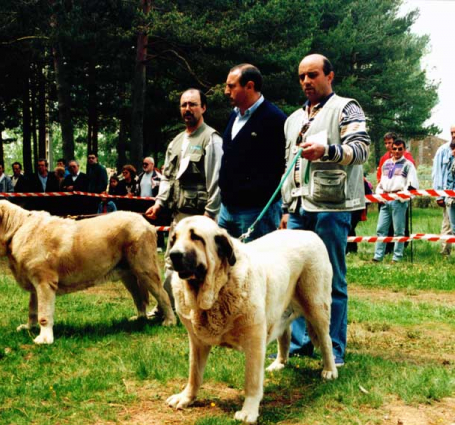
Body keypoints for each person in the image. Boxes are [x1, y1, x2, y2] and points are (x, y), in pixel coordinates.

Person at [280, 54, 371, 367]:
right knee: (292, 280)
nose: (307, 81)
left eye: (313, 75)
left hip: (333, 208)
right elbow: (288, 168)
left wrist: (327, 151)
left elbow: (361, 150)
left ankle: (333, 349)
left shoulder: (347, 108)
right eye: (302, 76)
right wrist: (285, 208)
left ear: (329, 76)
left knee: (332, 279)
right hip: (299, 209)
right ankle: (298, 344)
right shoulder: (293, 119)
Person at [145, 88, 222, 313]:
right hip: (179, 216)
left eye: (192, 104)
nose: (187, 109)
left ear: (203, 108)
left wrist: (211, 215)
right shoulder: (176, 142)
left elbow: (216, 179)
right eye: (184, 105)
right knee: (172, 260)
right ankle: (166, 307)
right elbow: (168, 177)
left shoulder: (211, 139)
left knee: (203, 264)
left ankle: (205, 308)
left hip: (201, 216)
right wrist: (159, 203)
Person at [218, 64, 287, 241]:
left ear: (249, 86)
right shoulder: (234, 116)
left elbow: (281, 166)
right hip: (227, 210)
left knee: (256, 266)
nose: (226, 91)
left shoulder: (274, 120)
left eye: (231, 86)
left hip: (256, 212)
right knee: (226, 265)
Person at [373, 139, 419, 262]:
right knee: (381, 229)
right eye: (395, 149)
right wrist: (380, 196)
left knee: (399, 231)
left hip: (399, 200)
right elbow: (381, 183)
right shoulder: (386, 164)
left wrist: (402, 197)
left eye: (400, 149)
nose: (397, 151)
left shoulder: (408, 165)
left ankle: (397, 257)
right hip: (385, 199)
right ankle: (378, 256)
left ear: (404, 150)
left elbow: (412, 184)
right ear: (391, 149)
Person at [431, 126, 455, 256]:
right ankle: (445, 252)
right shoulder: (443, 151)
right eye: (452, 133)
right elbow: (437, 174)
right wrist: (438, 195)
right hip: (449, 195)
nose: (454, 135)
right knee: (448, 224)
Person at [445, 140, 455, 234]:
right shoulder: (450, 160)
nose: (453, 151)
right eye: (452, 148)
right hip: (451, 198)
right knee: (454, 227)